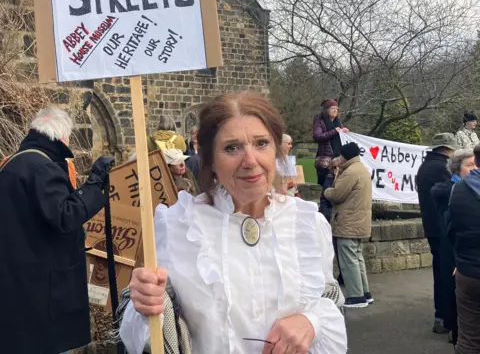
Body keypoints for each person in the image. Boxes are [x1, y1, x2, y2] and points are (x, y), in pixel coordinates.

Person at [120, 91, 347, 353]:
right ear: (211, 160)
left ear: (276, 150)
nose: (250, 161)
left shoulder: (307, 224)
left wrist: (312, 321)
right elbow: (148, 339)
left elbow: (329, 303)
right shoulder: (178, 226)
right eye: (232, 148)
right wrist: (146, 303)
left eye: (261, 143)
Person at [0, 106, 114, 354]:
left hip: (17, 283)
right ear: (63, 137)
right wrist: (94, 183)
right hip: (42, 290)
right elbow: (65, 215)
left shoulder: (12, 165)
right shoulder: (42, 167)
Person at [416, 132, 459, 334]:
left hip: (432, 226)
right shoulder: (442, 169)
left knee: (439, 271)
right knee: (446, 274)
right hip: (442, 228)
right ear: (446, 149)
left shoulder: (425, 167)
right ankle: (445, 318)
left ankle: (441, 316)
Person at [431, 149, 475, 344]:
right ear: (457, 169)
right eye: (470, 165)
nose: (475, 169)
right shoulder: (453, 191)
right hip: (455, 251)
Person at [324, 142, 373, 308]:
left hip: (348, 222)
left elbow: (337, 194)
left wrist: (326, 191)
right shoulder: (361, 169)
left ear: (345, 155)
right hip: (359, 222)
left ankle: (356, 296)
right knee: (357, 258)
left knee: (349, 260)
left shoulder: (350, 172)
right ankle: (365, 293)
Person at [447, 144, 480, 354]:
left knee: (469, 340)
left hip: (469, 271)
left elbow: (451, 228)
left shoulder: (459, 189)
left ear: (476, 161)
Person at [312, 99, 349, 187]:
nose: (335, 110)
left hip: (338, 157)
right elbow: (317, 136)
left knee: (336, 184)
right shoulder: (320, 120)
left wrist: (345, 132)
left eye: (336, 108)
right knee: (325, 184)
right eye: (332, 108)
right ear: (326, 110)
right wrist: (334, 131)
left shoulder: (338, 122)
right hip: (325, 158)